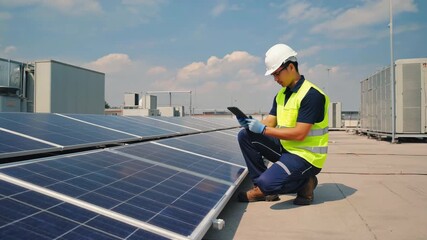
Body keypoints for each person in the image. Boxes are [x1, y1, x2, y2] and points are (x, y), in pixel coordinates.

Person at [236, 43, 329, 205]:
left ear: (291, 67)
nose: (276, 79)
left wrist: (263, 129)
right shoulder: (281, 95)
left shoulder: (311, 95)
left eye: (277, 74)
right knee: (246, 135)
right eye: (273, 75)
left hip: (306, 157)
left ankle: (306, 183)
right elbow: (270, 121)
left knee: (269, 184)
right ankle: (261, 190)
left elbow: (300, 134)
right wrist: (251, 125)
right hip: (286, 149)